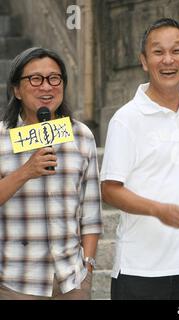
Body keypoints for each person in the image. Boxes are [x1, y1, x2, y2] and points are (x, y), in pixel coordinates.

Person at [101, 18, 179, 300]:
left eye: (176, 51)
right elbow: (110, 190)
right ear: (144, 61)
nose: (168, 60)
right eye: (158, 52)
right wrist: (157, 209)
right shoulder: (126, 119)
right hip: (140, 271)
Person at [0, 47, 102, 300]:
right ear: (16, 90)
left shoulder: (81, 136)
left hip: (71, 280)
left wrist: (87, 267)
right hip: (16, 280)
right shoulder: (1, 138)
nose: (46, 87)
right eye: (35, 79)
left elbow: (91, 212)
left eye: (54, 78)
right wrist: (25, 171)